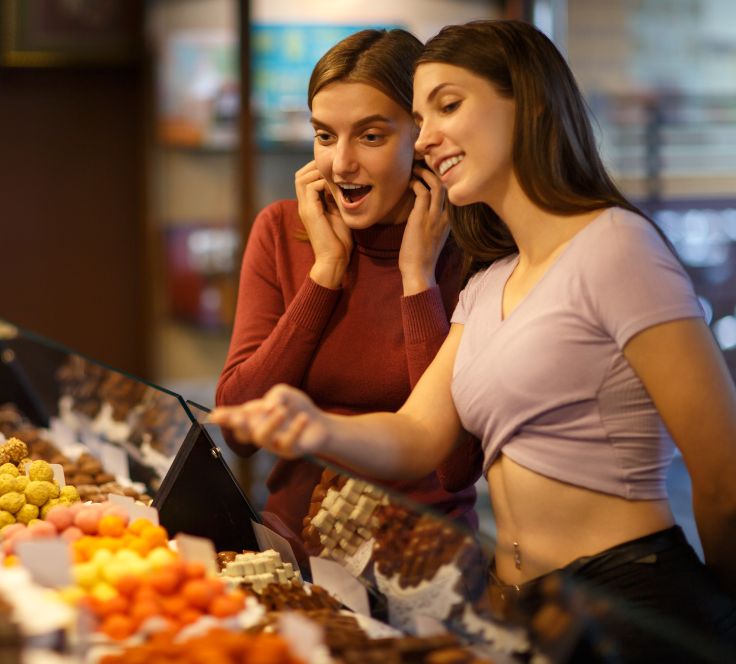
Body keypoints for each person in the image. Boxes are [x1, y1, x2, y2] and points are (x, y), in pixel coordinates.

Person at [212, 19, 736, 658]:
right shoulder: (494, 278)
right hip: (518, 599)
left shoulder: (616, 244)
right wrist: (314, 427)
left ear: (528, 106)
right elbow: (417, 433)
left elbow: (723, 478)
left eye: (446, 107)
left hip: (624, 593)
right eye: (421, 115)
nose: (428, 138)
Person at [215, 29, 481, 553]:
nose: (340, 164)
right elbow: (239, 431)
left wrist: (417, 280)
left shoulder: (473, 247)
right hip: (295, 545)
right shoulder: (280, 228)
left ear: (421, 137)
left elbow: (454, 467)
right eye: (325, 135)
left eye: (371, 136)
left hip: (423, 557)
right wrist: (326, 272)